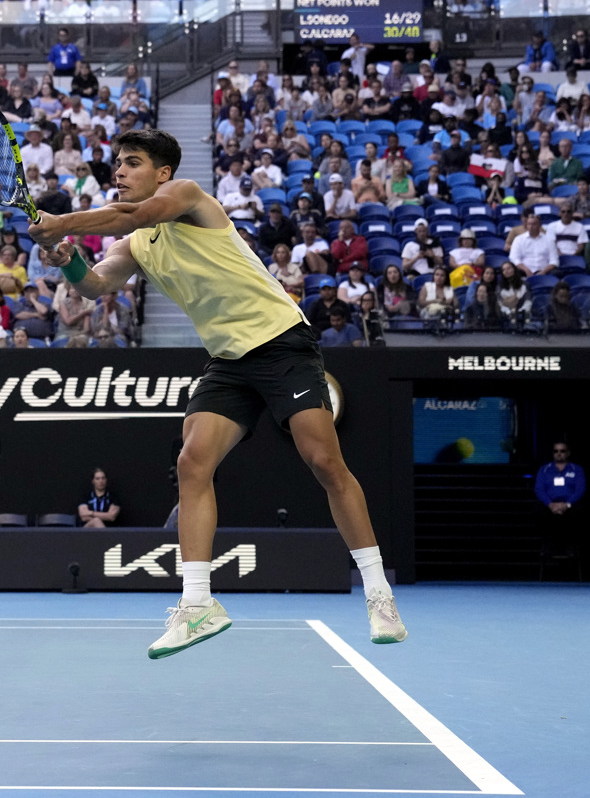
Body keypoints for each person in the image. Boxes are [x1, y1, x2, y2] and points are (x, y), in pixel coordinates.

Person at [27, 129, 406, 656]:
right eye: (117, 163)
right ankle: (199, 604)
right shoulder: (134, 245)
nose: (120, 171)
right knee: (192, 463)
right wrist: (66, 256)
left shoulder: (185, 196)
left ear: (161, 173)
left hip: (280, 342)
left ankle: (377, 592)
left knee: (324, 460)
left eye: (132, 163)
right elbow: (95, 285)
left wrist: (62, 223)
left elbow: (130, 214)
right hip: (228, 360)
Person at [534, 441, 584, 559]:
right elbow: (539, 489)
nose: (559, 454)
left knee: (579, 510)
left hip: (569, 504)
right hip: (550, 504)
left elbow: (580, 489)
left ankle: (571, 546)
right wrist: (550, 504)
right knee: (537, 510)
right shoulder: (544, 469)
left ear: (568, 453)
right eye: (556, 451)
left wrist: (566, 504)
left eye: (562, 451)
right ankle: (547, 546)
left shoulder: (577, 469)